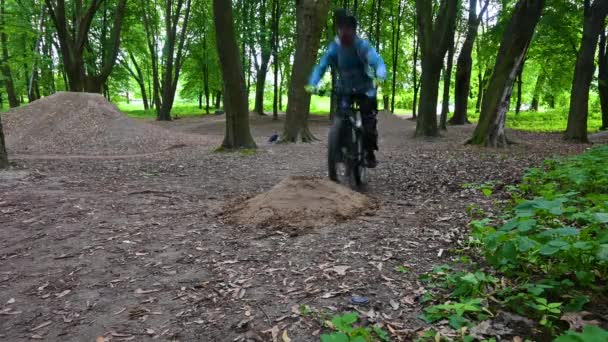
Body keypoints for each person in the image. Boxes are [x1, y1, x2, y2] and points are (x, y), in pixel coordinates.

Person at [306, 11, 386, 168]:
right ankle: (339, 150)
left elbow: (377, 62)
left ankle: (369, 153)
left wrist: (380, 76)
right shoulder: (334, 48)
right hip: (345, 90)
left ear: (354, 31)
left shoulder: (362, 46)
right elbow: (321, 66)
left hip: (365, 90)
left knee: (368, 124)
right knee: (340, 118)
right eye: (341, 27)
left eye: (348, 28)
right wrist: (312, 83)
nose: (344, 32)